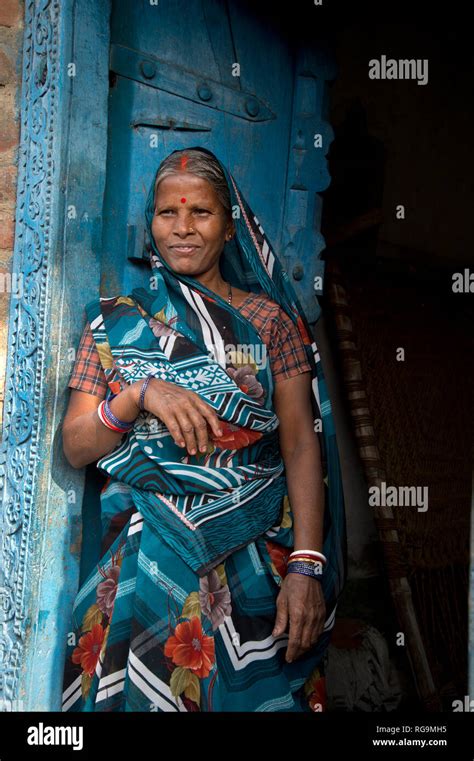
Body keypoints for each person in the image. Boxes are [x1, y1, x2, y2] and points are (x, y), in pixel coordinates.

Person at [61, 146, 347, 712]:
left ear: (229, 224)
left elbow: (298, 443)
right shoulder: (120, 321)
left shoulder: (270, 322)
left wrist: (307, 568)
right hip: (149, 562)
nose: (183, 229)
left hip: (256, 561)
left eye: (201, 213)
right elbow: (76, 445)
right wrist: (140, 395)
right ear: (151, 222)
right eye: (168, 214)